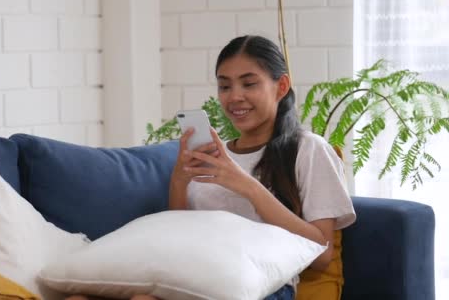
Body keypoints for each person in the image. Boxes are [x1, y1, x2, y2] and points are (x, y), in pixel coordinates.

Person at [67, 34, 356, 300]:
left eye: (249, 83)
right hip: (192, 277)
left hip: (261, 285)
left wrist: (248, 186)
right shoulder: (214, 154)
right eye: (225, 85)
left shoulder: (308, 149)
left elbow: (322, 253)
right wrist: (179, 180)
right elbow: (181, 236)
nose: (234, 97)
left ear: (281, 86)